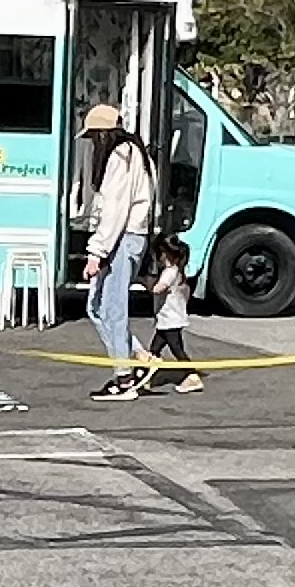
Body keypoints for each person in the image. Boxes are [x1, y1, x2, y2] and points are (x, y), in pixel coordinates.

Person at [79, 102, 156, 400]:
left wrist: (96, 251)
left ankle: (124, 378)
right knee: (97, 307)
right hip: (129, 236)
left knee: (110, 308)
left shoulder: (121, 156)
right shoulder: (135, 152)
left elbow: (115, 209)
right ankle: (137, 356)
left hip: (122, 238)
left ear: (102, 134)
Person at [144, 232, 200, 394]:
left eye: (160, 254)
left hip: (170, 320)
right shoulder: (179, 271)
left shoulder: (170, 272)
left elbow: (158, 289)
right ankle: (146, 376)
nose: (158, 258)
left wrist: (146, 283)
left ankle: (192, 376)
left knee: (176, 349)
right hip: (168, 319)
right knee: (154, 349)